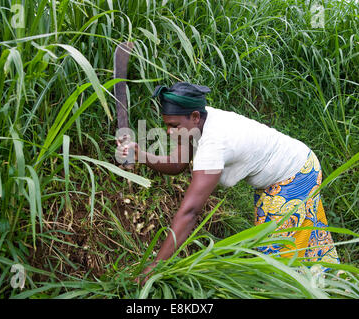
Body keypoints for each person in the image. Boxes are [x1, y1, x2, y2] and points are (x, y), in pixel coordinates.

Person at [116, 82, 340, 284]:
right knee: (298, 243)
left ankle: (309, 287)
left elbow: (190, 212)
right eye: (166, 125)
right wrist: (141, 154)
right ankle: (330, 285)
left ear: (195, 116)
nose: (169, 131)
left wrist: (156, 266)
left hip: (295, 175)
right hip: (292, 169)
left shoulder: (214, 143)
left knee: (278, 263)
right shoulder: (198, 121)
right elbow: (177, 165)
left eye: (174, 125)